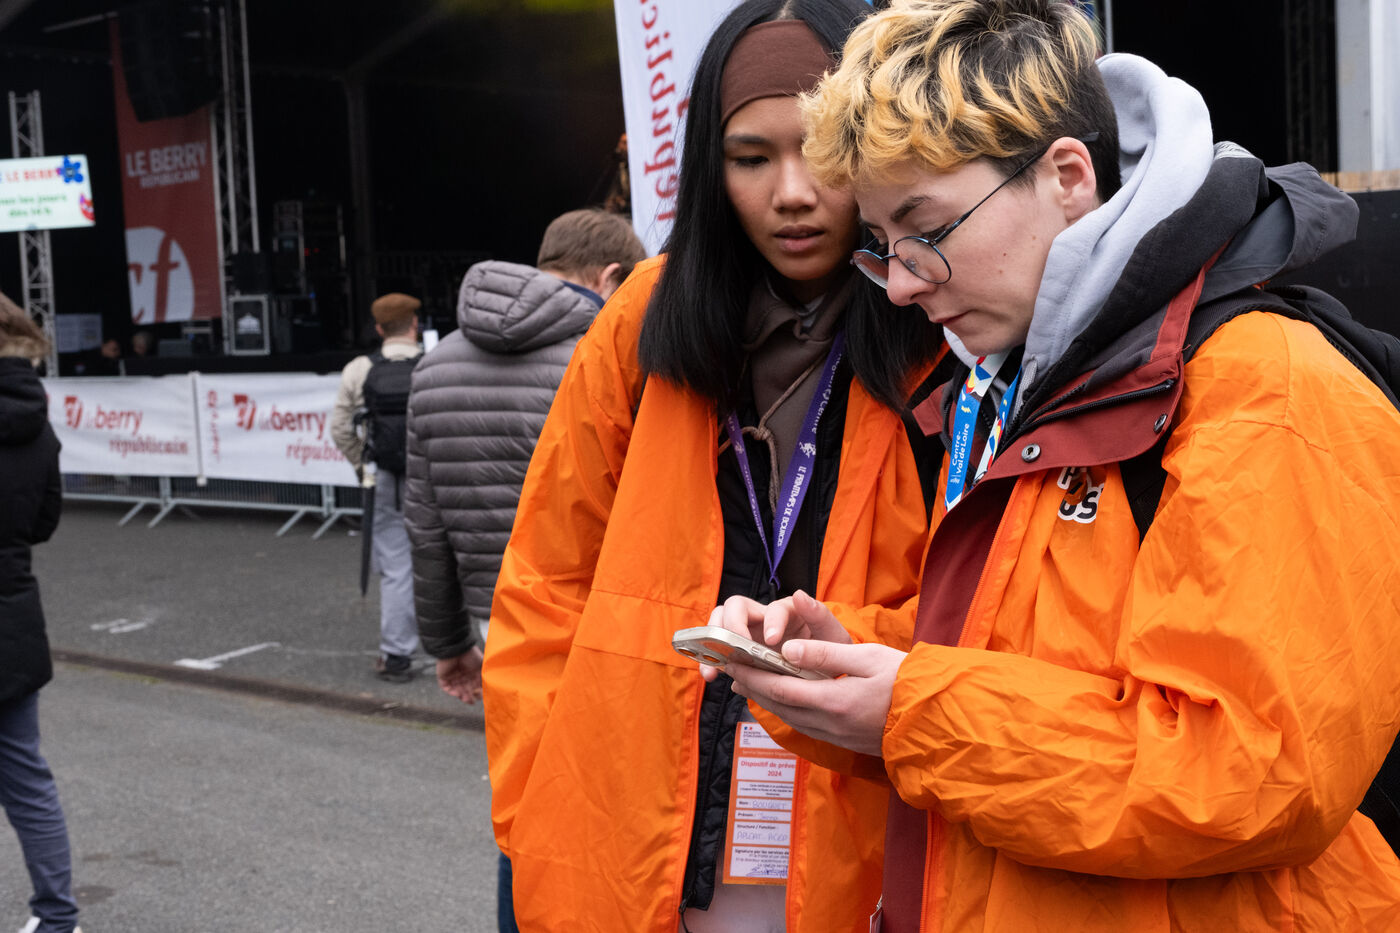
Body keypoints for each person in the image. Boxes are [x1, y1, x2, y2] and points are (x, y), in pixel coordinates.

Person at [704, 1, 1400, 930]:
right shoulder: (1037, 373)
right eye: (882, 247)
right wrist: (842, 656)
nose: (901, 285)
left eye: (926, 230)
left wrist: (913, 708)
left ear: (1068, 176)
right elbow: (1034, 655)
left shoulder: (1268, 388)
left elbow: (1248, 770)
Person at [481, 1, 942, 930]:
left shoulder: (943, 322)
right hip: (633, 839)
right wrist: (538, 802)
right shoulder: (644, 319)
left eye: (821, 149)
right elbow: (546, 582)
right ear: (708, 166)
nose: (793, 193)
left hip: (860, 843)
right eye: (750, 157)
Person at [402, 206, 646, 933]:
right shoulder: (604, 354)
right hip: (602, 621)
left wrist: (448, 642)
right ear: (611, 277)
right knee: (620, 812)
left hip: (497, 622)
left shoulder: (434, 365)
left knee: (524, 797)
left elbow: (424, 522)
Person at [0, 294, 83, 933]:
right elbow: (45, 521)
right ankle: (57, 919)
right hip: (12, 613)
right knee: (28, 780)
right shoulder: (38, 418)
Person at [330, 292, 424, 683]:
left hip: (385, 477)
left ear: (380, 329)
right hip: (431, 477)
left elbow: (340, 428)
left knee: (397, 566)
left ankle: (397, 656)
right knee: (452, 561)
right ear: (415, 325)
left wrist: (362, 465)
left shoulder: (359, 369)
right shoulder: (435, 364)